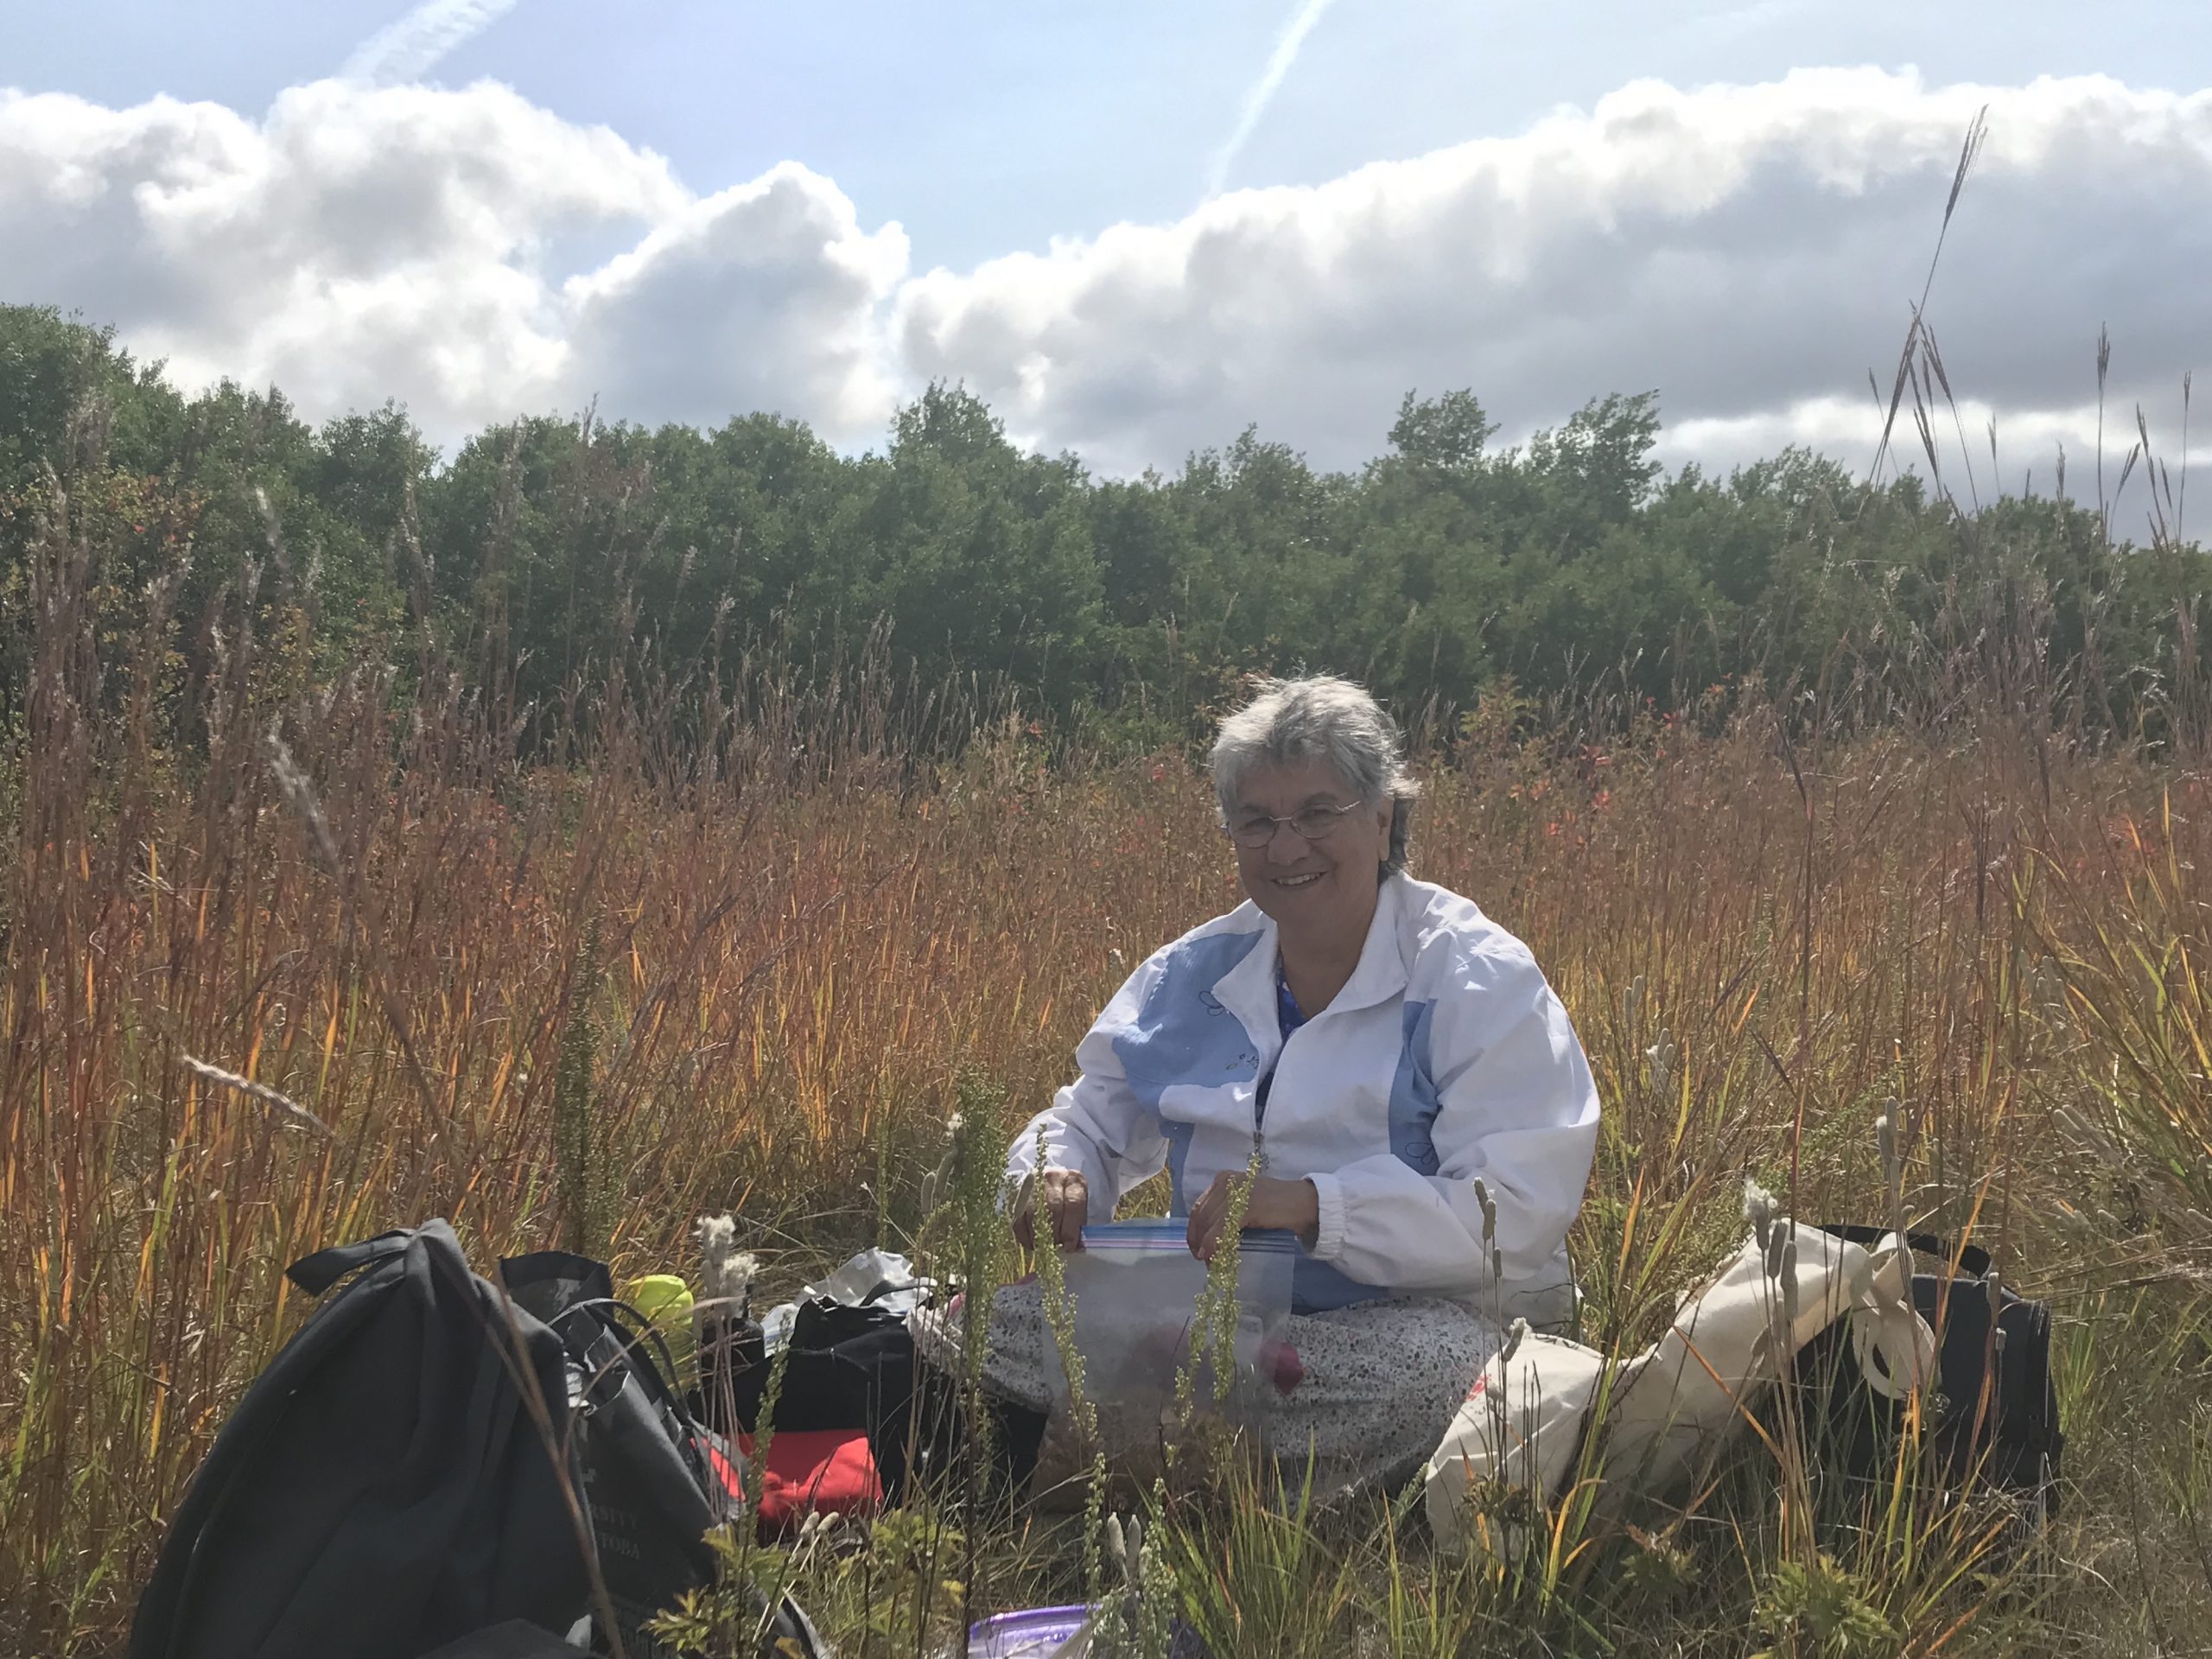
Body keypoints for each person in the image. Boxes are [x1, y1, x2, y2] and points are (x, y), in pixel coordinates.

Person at [920, 674, 1601, 1497]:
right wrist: (1052, 1175)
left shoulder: (1474, 974)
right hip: (1218, 1322)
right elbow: (1089, 1117)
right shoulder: (1191, 973)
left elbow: (1516, 1210)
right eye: (1256, 821)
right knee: (957, 1325)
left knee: (1443, 1377)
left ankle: (1132, 1446)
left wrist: (1314, 1204)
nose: (1286, 848)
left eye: (1318, 813)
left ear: (1384, 819)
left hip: (1414, 1323)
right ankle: (1200, 1453)